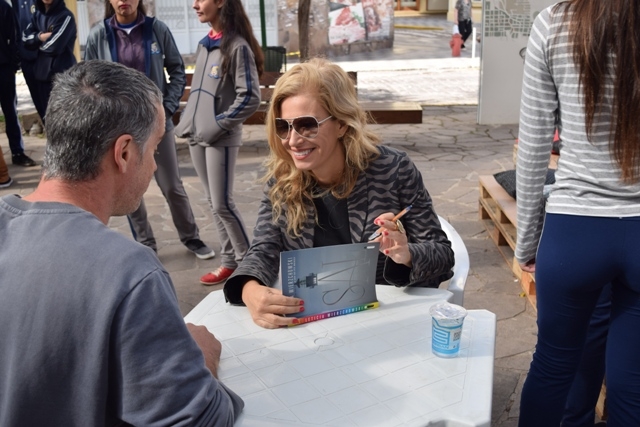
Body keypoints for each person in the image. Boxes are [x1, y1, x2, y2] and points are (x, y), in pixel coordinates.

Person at [0, 60, 243, 426]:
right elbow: (197, 419)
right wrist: (200, 356)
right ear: (125, 152)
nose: (156, 166)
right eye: (157, 147)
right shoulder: (130, 274)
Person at [221, 58, 455, 329]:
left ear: (342, 124)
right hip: (313, 320)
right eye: (284, 126)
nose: (293, 140)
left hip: (386, 317)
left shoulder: (392, 170)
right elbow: (264, 248)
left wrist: (405, 254)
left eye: (307, 124)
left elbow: (441, 253)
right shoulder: (282, 178)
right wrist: (250, 290)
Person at [515, 1, 640, 426]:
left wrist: (527, 242)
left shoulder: (554, 21)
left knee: (552, 366)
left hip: (575, 231)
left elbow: (533, 146)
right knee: (633, 384)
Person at [84, 0, 215, 259]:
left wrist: (166, 108)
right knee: (129, 187)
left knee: (171, 185)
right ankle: (146, 244)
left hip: (157, 124)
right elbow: (88, 78)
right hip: (120, 128)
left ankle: (191, 237)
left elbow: (177, 70)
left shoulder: (157, 30)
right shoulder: (99, 34)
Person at [175, 0, 263, 285]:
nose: (194, 5)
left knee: (223, 203)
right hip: (197, 137)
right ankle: (228, 262)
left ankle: (251, 265)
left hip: (220, 138)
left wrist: (219, 124)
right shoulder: (205, 44)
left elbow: (250, 96)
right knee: (214, 203)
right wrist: (190, 121)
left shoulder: (237, 47)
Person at [21, 0, 77, 124]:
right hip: (41, 76)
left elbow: (54, 47)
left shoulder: (65, 17)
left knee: (65, 120)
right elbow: (25, 39)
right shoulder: (37, 15)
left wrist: (36, 45)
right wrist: (40, 37)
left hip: (61, 77)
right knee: (47, 119)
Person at [2, 0, 36, 167]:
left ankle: (17, 152)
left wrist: (13, 66)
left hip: (3, 69)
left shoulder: (3, 7)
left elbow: (14, 37)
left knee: (10, 112)